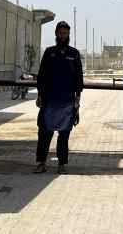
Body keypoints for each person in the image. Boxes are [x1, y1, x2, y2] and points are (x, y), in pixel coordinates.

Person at [34, 21, 83, 173]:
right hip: (49, 100)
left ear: (68, 35)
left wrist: (77, 99)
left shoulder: (74, 54)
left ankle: (62, 164)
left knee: (64, 134)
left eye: (65, 33)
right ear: (56, 34)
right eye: (60, 33)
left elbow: (79, 78)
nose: (63, 36)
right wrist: (40, 95)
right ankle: (41, 163)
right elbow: (41, 76)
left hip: (67, 101)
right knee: (44, 132)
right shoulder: (49, 52)